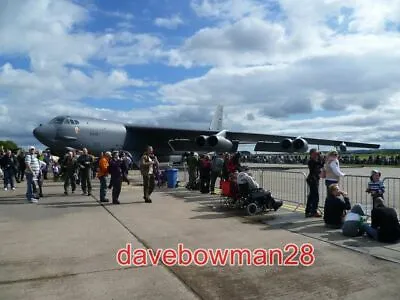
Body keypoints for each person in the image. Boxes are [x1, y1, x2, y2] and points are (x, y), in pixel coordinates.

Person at [305, 148, 324, 218]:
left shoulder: (316, 160)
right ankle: (314, 211)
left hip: (315, 179)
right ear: (312, 154)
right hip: (312, 180)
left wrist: (321, 157)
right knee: (316, 196)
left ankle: (308, 210)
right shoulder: (311, 161)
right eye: (315, 153)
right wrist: (320, 156)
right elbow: (318, 163)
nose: (317, 154)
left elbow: (322, 164)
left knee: (311, 196)